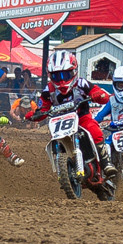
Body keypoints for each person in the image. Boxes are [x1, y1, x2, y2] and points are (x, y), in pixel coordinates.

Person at [22, 49, 115, 196]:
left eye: (65, 75)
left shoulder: (82, 83)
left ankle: (106, 163)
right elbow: (43, 107)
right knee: (55, 140)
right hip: (61, 122)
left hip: (82, 118)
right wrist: (34, 115)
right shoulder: (48, 90)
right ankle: (65, 167)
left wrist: (98, 94)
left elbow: (99, 93)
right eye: (56, 76)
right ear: (50, 75)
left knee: (95, 130)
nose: (61, 80)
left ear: (73, 72)